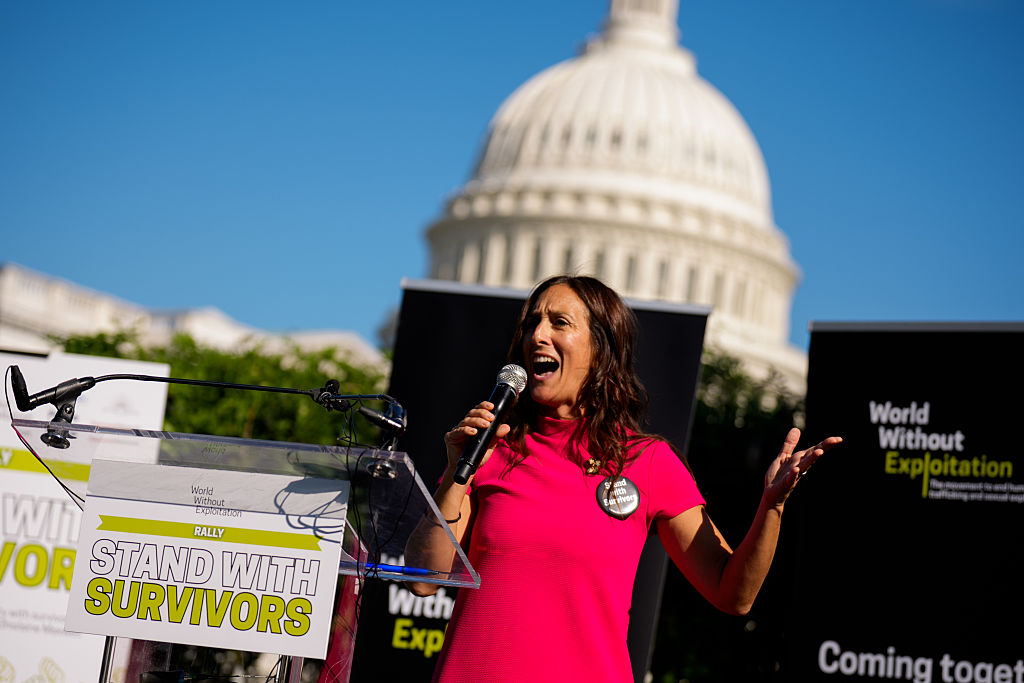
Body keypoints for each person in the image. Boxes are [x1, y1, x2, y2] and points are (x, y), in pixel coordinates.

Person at [405, 275, 841, 682]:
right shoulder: (490, 450)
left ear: (601, 348)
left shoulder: (648, 461)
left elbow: (733, 594)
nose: (537, 335)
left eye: (559, 322)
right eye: (532, 323)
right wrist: (456, 474)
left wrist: (772, 505)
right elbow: (424, 580)